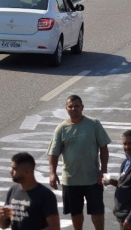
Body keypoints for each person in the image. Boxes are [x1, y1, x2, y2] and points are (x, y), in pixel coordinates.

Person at [48, 95, 111, 230]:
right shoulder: (61, 129)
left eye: (76, 106)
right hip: (71, 180)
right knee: (75, 212)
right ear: (66, 109)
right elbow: (53, 154)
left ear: (82, 107)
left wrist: (104, 170)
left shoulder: (93, 124)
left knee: (97, 211)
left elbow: (104, 148)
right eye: (70, 106)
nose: (73, 109)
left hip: (93, 179)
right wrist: (52, 173)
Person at [0, 152, 60, 230]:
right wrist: (1, 217)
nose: (11, 171)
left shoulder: (45, 195)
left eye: (14, 169)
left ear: (26, 172)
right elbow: (3, 225)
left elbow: (55, 227)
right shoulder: (12, 191)